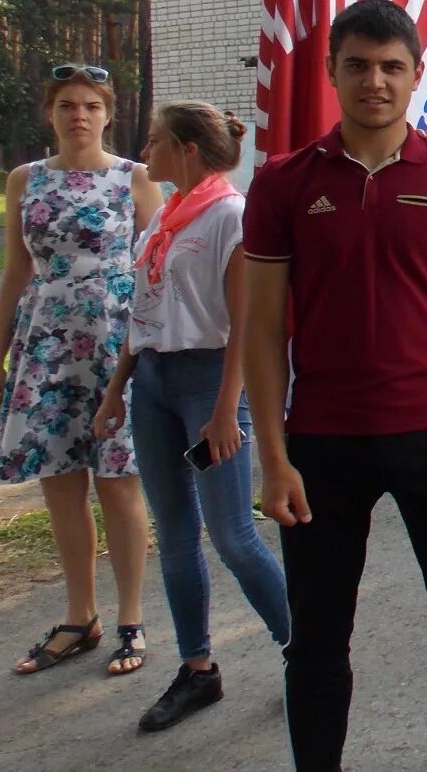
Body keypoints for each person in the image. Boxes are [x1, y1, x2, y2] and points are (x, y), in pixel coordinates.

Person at [242, 0, 427, 771]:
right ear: (331, 70)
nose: (375, 81)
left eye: (392, 66)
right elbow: (261, 328)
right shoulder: (283, 185)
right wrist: (273, 454)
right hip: (321, 444)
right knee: (318, 644)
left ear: (416, 75)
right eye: (358, 64)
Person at [93, 103, 288, 731]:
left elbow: (245, 325)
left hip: (209, 384)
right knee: (174, 537)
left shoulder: (231, 216)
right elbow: (141, 313)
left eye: (153, 142)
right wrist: (116, 389)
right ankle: (198, 669)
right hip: (152, 382)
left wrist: (229, 408)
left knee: (233, 536)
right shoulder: (164, 221)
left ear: (187, 150)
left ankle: (307, 651)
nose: (143, 152)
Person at [0, 64, 159, 680]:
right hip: (45, 347)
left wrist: (154, 354)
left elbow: (155, 269)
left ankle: (131, 618)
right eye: (66, 105)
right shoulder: (23, 181)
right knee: (60, 483)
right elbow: (15, 271)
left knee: (118, 481)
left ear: (108, 114)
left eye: (90, 105)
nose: (79, 115)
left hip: (114, 344)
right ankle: (78, 615)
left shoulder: (134, 179)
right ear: (50, 114)